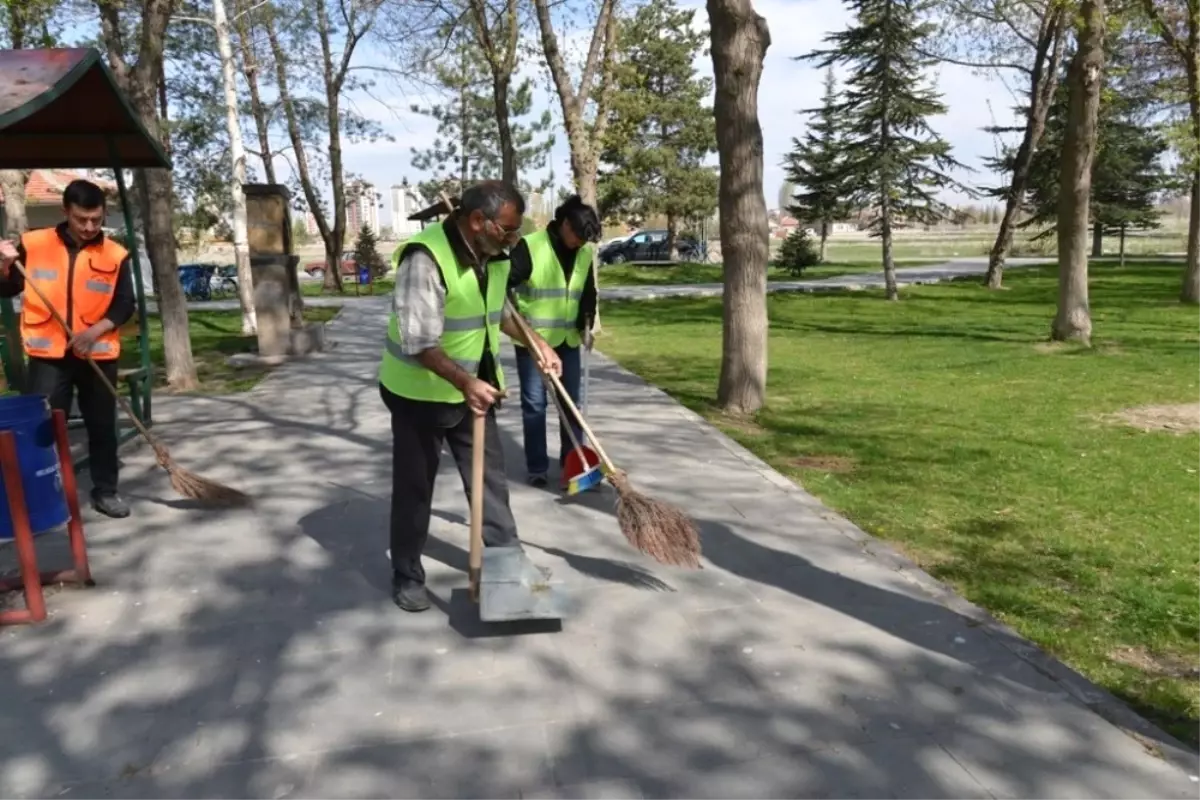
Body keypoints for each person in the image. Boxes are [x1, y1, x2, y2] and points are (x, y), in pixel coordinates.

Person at [379, 180, 563, 613]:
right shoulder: (424, 260)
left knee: (490, 486)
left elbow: (498, 310)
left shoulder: (494, 254)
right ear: (477, 220)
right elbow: (419, 342)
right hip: (417, 394)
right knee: (415, 489)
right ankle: (406, 574)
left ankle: (508, 574)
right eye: (507, 229)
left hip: (473, 389)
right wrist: (464, 382)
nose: (514, 239)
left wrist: (538, 343)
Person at [0, 179, 136, 519]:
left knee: (102, 426)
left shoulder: (116, 254)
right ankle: (43, 491)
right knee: (43, 427)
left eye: (96, 219)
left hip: (97, 355)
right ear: (65, 212)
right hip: (49, 357)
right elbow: (7, 287)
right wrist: (3, 264)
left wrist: (93, 333)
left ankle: (106, 491)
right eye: (81, 219)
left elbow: (124, 305)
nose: (90, 227)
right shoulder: (34, 244)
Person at [507, 194, 601, 489]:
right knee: (535, 405)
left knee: (571, 405)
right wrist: (518, 324)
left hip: (568, 340)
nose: (580, 244)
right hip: (533, 341)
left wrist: (587, 322)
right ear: (564, 225)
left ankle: (575, 465)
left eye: (585, 240)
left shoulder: (584, 253)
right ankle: (537, 467)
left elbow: (588, 292)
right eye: (577, 237)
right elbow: (503, 285)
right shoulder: (530, 246)